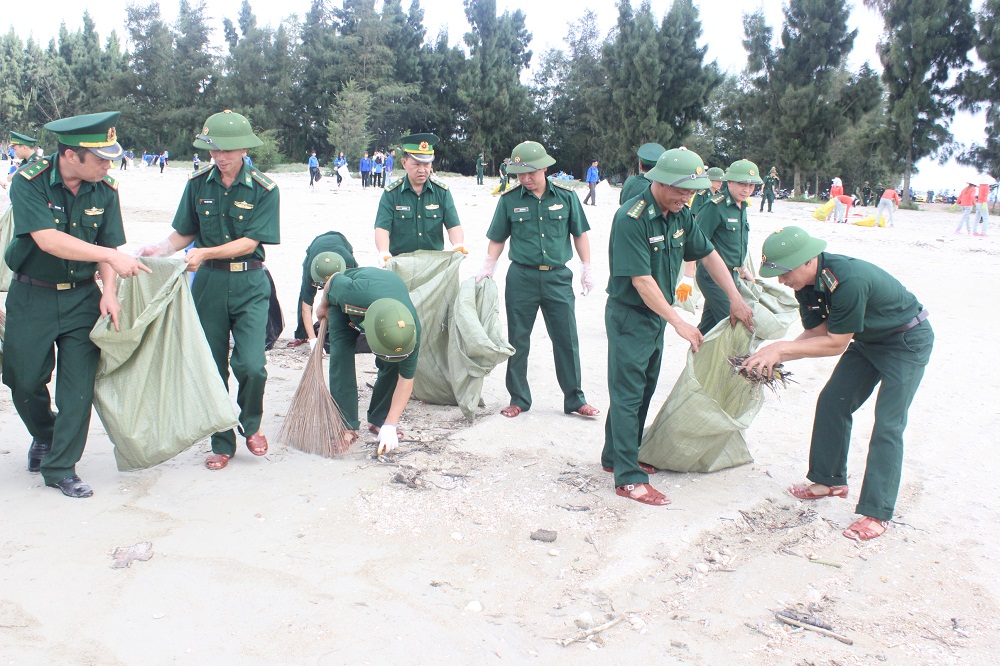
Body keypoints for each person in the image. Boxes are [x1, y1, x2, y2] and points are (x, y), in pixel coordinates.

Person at [744, 227, 933, 541]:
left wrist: (781, 349)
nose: (780, 280)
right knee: (833, 401)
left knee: (888, 423)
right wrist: (774, 354)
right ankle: (829, 480)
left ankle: (877, 512)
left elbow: (835, 344)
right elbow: (817, 335)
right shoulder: (805, 283)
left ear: (806, 261)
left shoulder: (848, 279)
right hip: (869, 340)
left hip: (906, 341)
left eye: (783, 272)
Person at [3, 111, 151, 498]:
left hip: (83, 296)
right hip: (31, 294)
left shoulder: (106, 189)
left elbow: (108, 247)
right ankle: (45, 433)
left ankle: (61, 467)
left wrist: (110, 291)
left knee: (77, 387)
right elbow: (48, 240)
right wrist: (110, 256)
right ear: (71, 156)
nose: (108, 164)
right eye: (100, 158)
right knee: (22, 379)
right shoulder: (29, 181)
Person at [602, 148, 754, 506]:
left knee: (642, 389)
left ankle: (616, 456)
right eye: (681, 190)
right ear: (659, 181)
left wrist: (733, 296)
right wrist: (679, 321)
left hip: (654, 315)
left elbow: (709, 253)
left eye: (692, 192)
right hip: (630, 315)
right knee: (628, 393)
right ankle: (628, 477)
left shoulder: (681, 215)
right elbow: (641, 281)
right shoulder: (632, 217)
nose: (687, 197)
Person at [136, 109, 280, 471]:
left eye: (228, 151)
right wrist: (161, 249)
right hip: (209, 284)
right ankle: (222, 440)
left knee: (252, 364)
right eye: (214, 151)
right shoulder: (198, 183)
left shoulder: (265, 188)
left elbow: (250, 242)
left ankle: (251, 423)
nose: (221, 158)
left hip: (250, 282)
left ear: (245, 149)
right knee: (212, 365)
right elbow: (184, 231)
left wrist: (205, 252)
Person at [476, 140, 601, 420]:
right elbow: (497, 237)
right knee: (518, 339)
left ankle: (575, 399)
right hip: (522, 277)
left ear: (545, 168)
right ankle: (519, 398)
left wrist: (586, 267)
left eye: (530, 173)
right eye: (520, 174)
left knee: (566, 339)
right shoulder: (509, 200)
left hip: (558, 277)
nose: (525, 179)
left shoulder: (567, 198)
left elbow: (580, 234)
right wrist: (488, 267)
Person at [315, 266, 420, 455]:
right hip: (344, 306)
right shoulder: (352, 294)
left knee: (393, 364)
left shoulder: (411, 332)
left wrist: (390, 424)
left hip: (388, 307)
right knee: (341, 356)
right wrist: (323, 306)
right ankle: (346, 425)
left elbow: (406, 380)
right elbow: (335, 279)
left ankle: (379, 420)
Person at [691, 159, 761, 335]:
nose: (747, 189)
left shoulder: (741, 206)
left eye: (752, 185)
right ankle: (733, 361)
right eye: (742, 184)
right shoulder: (715, 206)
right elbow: (696, 242)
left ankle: (697, 358)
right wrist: (686, 277)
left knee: (710, 326)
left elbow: (737, 243)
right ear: (729, 182)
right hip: (712, 275)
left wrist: (743, 269)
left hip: (732, 274)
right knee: (735, 321)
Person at [374, 133, 465, 264]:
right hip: (401, 262)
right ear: (404, 163)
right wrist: (383, 252)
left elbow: (453, 225)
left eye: (426, 165)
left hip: (433, 264)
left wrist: (458, 245)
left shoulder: (442, 192)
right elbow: (382, 228)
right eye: (416, 164)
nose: (422, 170)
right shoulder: (392, 194)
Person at [287, 231, 359, 348]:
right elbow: (306, 306)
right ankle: (301, 334)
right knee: (304, 294)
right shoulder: (310, 268)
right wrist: (312, 339)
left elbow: (354, 292)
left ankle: (344, 328)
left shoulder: (348, 262)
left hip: (341, 241)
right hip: (316, 247)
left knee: (347, 292)